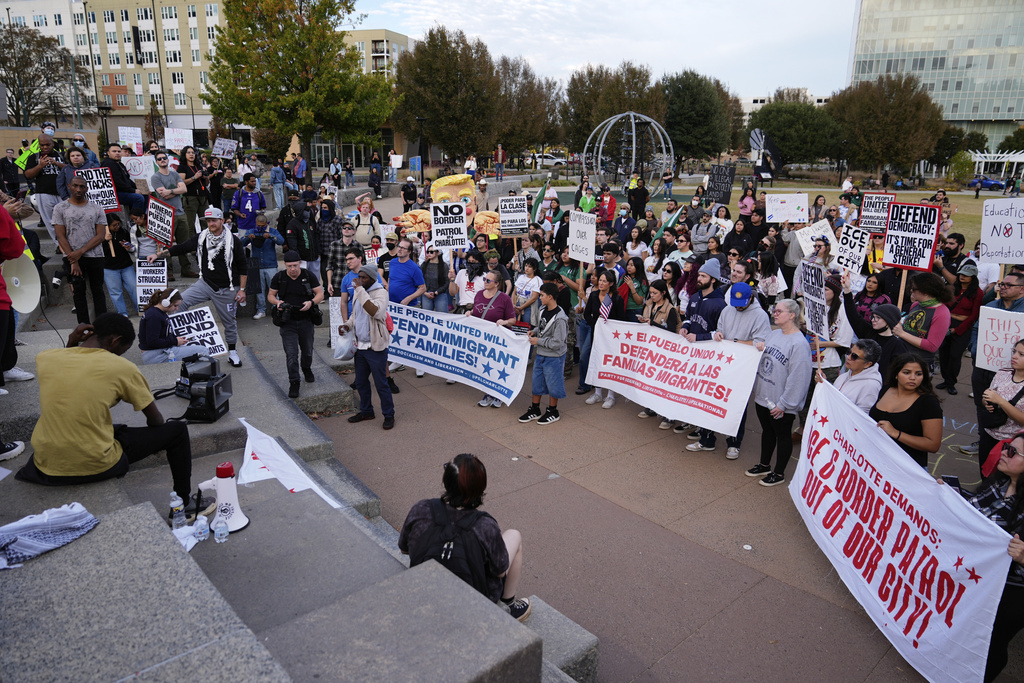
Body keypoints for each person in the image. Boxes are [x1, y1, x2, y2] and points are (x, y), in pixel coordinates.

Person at [15, 314, 205, 517]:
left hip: (45, 464)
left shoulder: (46, 358)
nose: (119, 356)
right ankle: (183, 505)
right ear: (114, 341)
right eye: (121, 351)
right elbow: (156, 420)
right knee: (176, 431)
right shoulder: (122, 368)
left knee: (113, 428)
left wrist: (72, 340)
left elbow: (70, 364)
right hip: (95, 464)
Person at [398, 453, 531, 620]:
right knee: (514, 535)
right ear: (480, 489)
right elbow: (499, 571)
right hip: (472, 602)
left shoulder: (421, 508)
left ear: (446, 481)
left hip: (424, 587)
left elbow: (404, 549)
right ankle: (510, 605)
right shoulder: (485, 525)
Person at [148, 207, 246, 367]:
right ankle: (180, 342)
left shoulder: (233, 240)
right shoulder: (202, 237)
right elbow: (182, 247)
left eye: (214, 220)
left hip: (227, 288)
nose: (211, 224)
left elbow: (243, 266)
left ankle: (233, 352)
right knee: (178, 303)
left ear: (222, 221)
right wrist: (158, 255)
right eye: (208, 221)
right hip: (205, 283)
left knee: (229, 322)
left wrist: (242, 289)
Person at [695, 282, 771, 458]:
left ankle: (734, 443)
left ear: (750, 298)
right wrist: (718, 334)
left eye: (742, 303)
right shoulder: (728, 310)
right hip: (723, 363)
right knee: (712, 399)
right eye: (736, 304)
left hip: (743, 367)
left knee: (737, 405)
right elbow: (719, 330)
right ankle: (707, 438)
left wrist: (736, 343)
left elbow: (762, 343)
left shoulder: (760, 316)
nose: (738, 307)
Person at [748, 299, 812, 487]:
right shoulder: (774, 334)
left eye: (779, 311)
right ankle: (764, 464)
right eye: (774, 311)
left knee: (782, 436)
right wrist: (760, 347)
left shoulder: (799, 344)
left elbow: (798, 378)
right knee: (767, 432)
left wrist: (785, 404)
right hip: (764, 396)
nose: (774, 314)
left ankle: (779, 473)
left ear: (792, 315)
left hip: (781, 402)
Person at [340, 264, 394, 429]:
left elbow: (375, 312)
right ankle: (366, 411)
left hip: (375, 347)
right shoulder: (359, 292)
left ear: (372, 278)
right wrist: (347, 326)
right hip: (360, 347)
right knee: (361, 382)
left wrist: (360, 290)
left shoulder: (381, 293)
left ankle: (389, 415)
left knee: (381, 384)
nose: (361, 280)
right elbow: (355, 315)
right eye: (360, 277)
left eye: (364, 278)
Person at [870, 354, 943, 468]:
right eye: (906, 372)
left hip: (906, 469)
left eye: (918, 374)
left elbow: (933, 445)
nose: (913, 378)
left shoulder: (928, 402)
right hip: (876, 462)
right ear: (896, 374)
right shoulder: (886, 389)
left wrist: (896, 433)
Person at [268, 252, 324, 398]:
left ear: (300, 263)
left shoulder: (308, 275)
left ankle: (306, 368)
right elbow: (271, 295)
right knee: (291, 354)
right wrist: (277, 302)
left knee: (307, 352)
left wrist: (311, 302)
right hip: (288, 322)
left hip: (306, 320)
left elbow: (320, 293)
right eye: (289, 266)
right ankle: (294, 382)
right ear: (285, 265)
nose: (292, 269)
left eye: (295, 265)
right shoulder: (279, 277)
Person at [54, 176, 107, 324]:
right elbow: (60, 235)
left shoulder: (97, 208)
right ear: (69, 187)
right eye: (75, 186)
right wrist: (74, 259)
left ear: (86, 189)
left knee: (98, 291)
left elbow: (101, 235)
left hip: (95, 256)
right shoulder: (60, 208)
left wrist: (81, 251)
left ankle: (102, 327)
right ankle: (83, 328)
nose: (78, 189)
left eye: (82, 186)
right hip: (72, 258)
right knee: (78, 293)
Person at [518, 283, 569, 425]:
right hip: (541, 354)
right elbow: (541, 327)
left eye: (542, 295)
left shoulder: (560, 318)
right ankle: (535, 409)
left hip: (554, 357)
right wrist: (534, 331)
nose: (539, 298)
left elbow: (557, 343)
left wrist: (538, 340)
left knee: (554, 384)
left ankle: (553, 410)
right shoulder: (542, 309)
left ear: (550, 297)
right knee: (537, 382)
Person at [469, 269, 516, 408]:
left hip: (499, 339)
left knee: (498, 366)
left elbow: (512, 319)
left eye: (488, 280)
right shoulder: (478, 294)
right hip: (483, 338)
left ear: (496, 284)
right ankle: (488, 393)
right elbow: (477, 311)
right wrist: (469, 312)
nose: (485, 282)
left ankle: (499, 394)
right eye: (484, 279)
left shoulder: (504, 298)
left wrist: (505, 322)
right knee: (485, 365)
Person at [581, 269, 628, 408]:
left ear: (611, 283)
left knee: (610, 364)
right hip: (596, 333)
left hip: (612, 337)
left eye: (604, 281)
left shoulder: (617, 298)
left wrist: (609, 328)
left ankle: (610, 396)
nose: (601, 283)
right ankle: (597, 393)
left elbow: (621, 318)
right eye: (600, 280)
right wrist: (597, 325)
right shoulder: (594, 295)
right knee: (593, 359)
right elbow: (587, 314)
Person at [935, 261, 983, 394]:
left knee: (955, 355)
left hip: (963, 327)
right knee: (944, 354)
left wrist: (958, 329)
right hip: (947, 322)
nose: (962, 277)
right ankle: (945, 379)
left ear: (973, 277)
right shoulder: (951, 288)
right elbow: (942, 304)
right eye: (961, 274)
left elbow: (974, 315)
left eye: (966, 275)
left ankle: (951, 382)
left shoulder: (978, 293)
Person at [979, 340, 1024, 475]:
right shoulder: (1002, 373)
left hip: (1012, 443)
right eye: (1014, 352)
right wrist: (986, 402)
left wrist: (1001, 401)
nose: (1014, 356)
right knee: (985, 474)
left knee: (1003, 480)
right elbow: (987, 395)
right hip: (989, 434)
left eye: (1021, 354)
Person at [150, 150, 198, 278]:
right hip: (165, 214)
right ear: (157, 162)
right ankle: (169, 271)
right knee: (166, 243)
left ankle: (186, 269)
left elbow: (184, 189)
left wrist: (170, 190)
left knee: (184, 243)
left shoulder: (175, 174)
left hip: (180, 212)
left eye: (164, 158)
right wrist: (176, 190)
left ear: (168, 159)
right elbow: (163, 195)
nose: (162, 160)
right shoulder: (155, 177)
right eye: (159, 159)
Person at [891, 271, 953, 366]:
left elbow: (932, 346)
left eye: (914, 288)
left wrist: (902, 334)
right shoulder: (916, 305)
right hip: (901, 356)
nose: (911, 291)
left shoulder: (942, 313)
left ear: (926, 292)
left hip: (919, 363)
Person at [138, 288, 208, 363]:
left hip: (156, 352)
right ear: (166, 302)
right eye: (175, 305)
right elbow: (152, 342)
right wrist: (175, 341)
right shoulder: (154, 316)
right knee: (203, 350)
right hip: (155, 355)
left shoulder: (157, 312)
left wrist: (176, 339)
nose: (177, 308)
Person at [240, 214, 285, 320]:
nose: (260, 227)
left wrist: (270, 236)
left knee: (274, 288)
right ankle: (261, 310)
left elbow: (281, 241)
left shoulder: (272, 231)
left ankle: (276, 308)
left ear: (266, 223)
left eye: (262, 225)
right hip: (256, 265)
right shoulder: (251, 231)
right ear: (256, 223)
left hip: (271, 264)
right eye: (258, 225)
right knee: (258, 290)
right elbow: (241, 242)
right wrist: (247, 238)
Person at [24, 134, 66, 243]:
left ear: (52, 143)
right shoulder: (34, 157)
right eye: (42, 145)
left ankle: (68, 242)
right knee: (50, 222)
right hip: (44, 193)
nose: (45, 147)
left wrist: (57, 163)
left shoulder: (62, 155)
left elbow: (71, 169)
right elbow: (28, 175)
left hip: (62, 193)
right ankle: (59, 244)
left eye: (47, 144)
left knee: (66, 219)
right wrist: (40, 166)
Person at [829, 339, 883, 413]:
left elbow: (861, 415)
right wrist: (824, 383)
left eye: (854, 356)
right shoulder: (845, 375)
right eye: (849, 352)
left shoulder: (870, 385)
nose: (848, 357)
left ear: (867, 364)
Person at [101, 214, 138, 316]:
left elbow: (132, 248)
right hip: (110, 268)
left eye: (118, 224)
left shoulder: (124, 232)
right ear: (108, 226)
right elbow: (100, 252)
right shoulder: (102, 235)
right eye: (114, 225)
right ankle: (122, 314)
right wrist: (105, 240)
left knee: (134, 287)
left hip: (126, 266)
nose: (117, 227)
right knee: (116, 293)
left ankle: (140, 309)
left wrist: (128, 247)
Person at [101, 144, 147, 216]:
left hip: (123, 191)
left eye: (119, 151)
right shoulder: (108, 164)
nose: (117, 153)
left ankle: (143, 218)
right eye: (114, 151)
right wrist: (133, 190)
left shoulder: (119, 164)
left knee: (145, 195)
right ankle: (135, 219)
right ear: (108, 153)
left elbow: (127, 179)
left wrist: (141, 189)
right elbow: (117, 183)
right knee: (138, 198)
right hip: (115, 194)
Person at [513, 257, 542, 326]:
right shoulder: (521, 277)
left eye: (529, 266)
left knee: (527, 324)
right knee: (514, 324)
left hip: (528, 306)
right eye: (526, 266)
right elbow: (514, 292)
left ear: (534, 269)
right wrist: (513, 305)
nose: (527, 268)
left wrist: (521, 308)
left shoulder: (537, 280)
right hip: (517, 303)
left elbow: (534, 298)